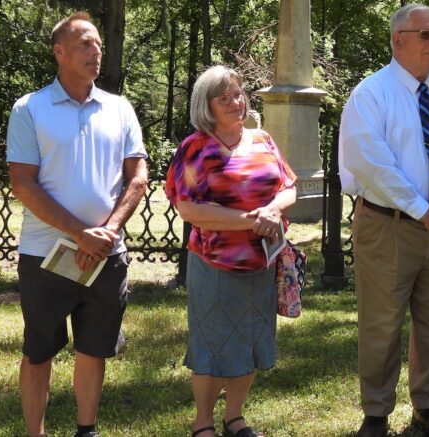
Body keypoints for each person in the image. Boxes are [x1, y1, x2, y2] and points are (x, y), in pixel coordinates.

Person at [339, 4, 429, 436]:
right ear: (398, 39)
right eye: (426, 35)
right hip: (390, 226)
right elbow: (371, 164)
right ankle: (377, 412)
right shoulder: (371, 94)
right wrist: (423, 209)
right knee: (382, 323)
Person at [6, 12, 148, 437]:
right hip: (45, 256)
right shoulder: (30, 108)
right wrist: (80, 233)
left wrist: (108, 232)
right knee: (39, 351)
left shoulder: (119, 108)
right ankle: (37, 432)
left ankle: (87, 429)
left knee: (94, 347)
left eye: (99, 45)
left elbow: (138, 176)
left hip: (106, 255)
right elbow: (23, 184)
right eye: (85, 43)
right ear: (60, 52)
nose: (95, 51)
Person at [165, 65, 297, 437]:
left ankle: (234, 417)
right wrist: (250, 221)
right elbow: (188, 209)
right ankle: (203, 422)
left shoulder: (263, 139)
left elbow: (289, 186)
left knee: (251, 341)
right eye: (224, 98)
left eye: (238, 94)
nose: (235, 102)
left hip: (261, 263)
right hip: (215, 264)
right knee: (211, 345)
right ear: (205, 106)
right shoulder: (195, 148)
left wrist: (273, 210)